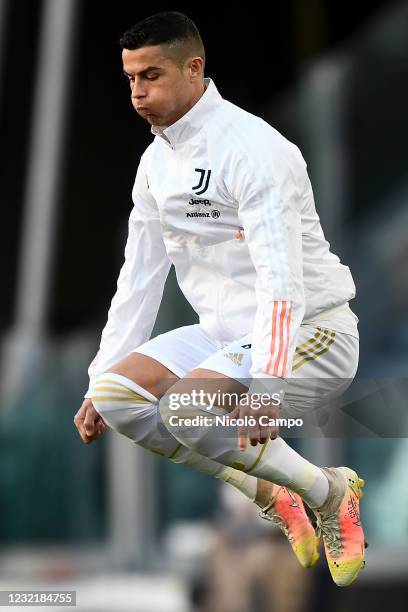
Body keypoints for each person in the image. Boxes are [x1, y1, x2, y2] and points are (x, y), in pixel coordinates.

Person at [74, 11, 365, 587]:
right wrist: (97, 374)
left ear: (195, 68)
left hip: (314, 330)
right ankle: (270, 490)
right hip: (225, 336)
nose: (137, 93)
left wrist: (269, 388)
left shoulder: (254, 148)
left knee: (185, 410)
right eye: (131, 79)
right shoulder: (155, 163)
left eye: (151, 76)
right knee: (115, 397)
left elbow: (283, 279)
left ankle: (331, 492)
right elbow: (138, 278)